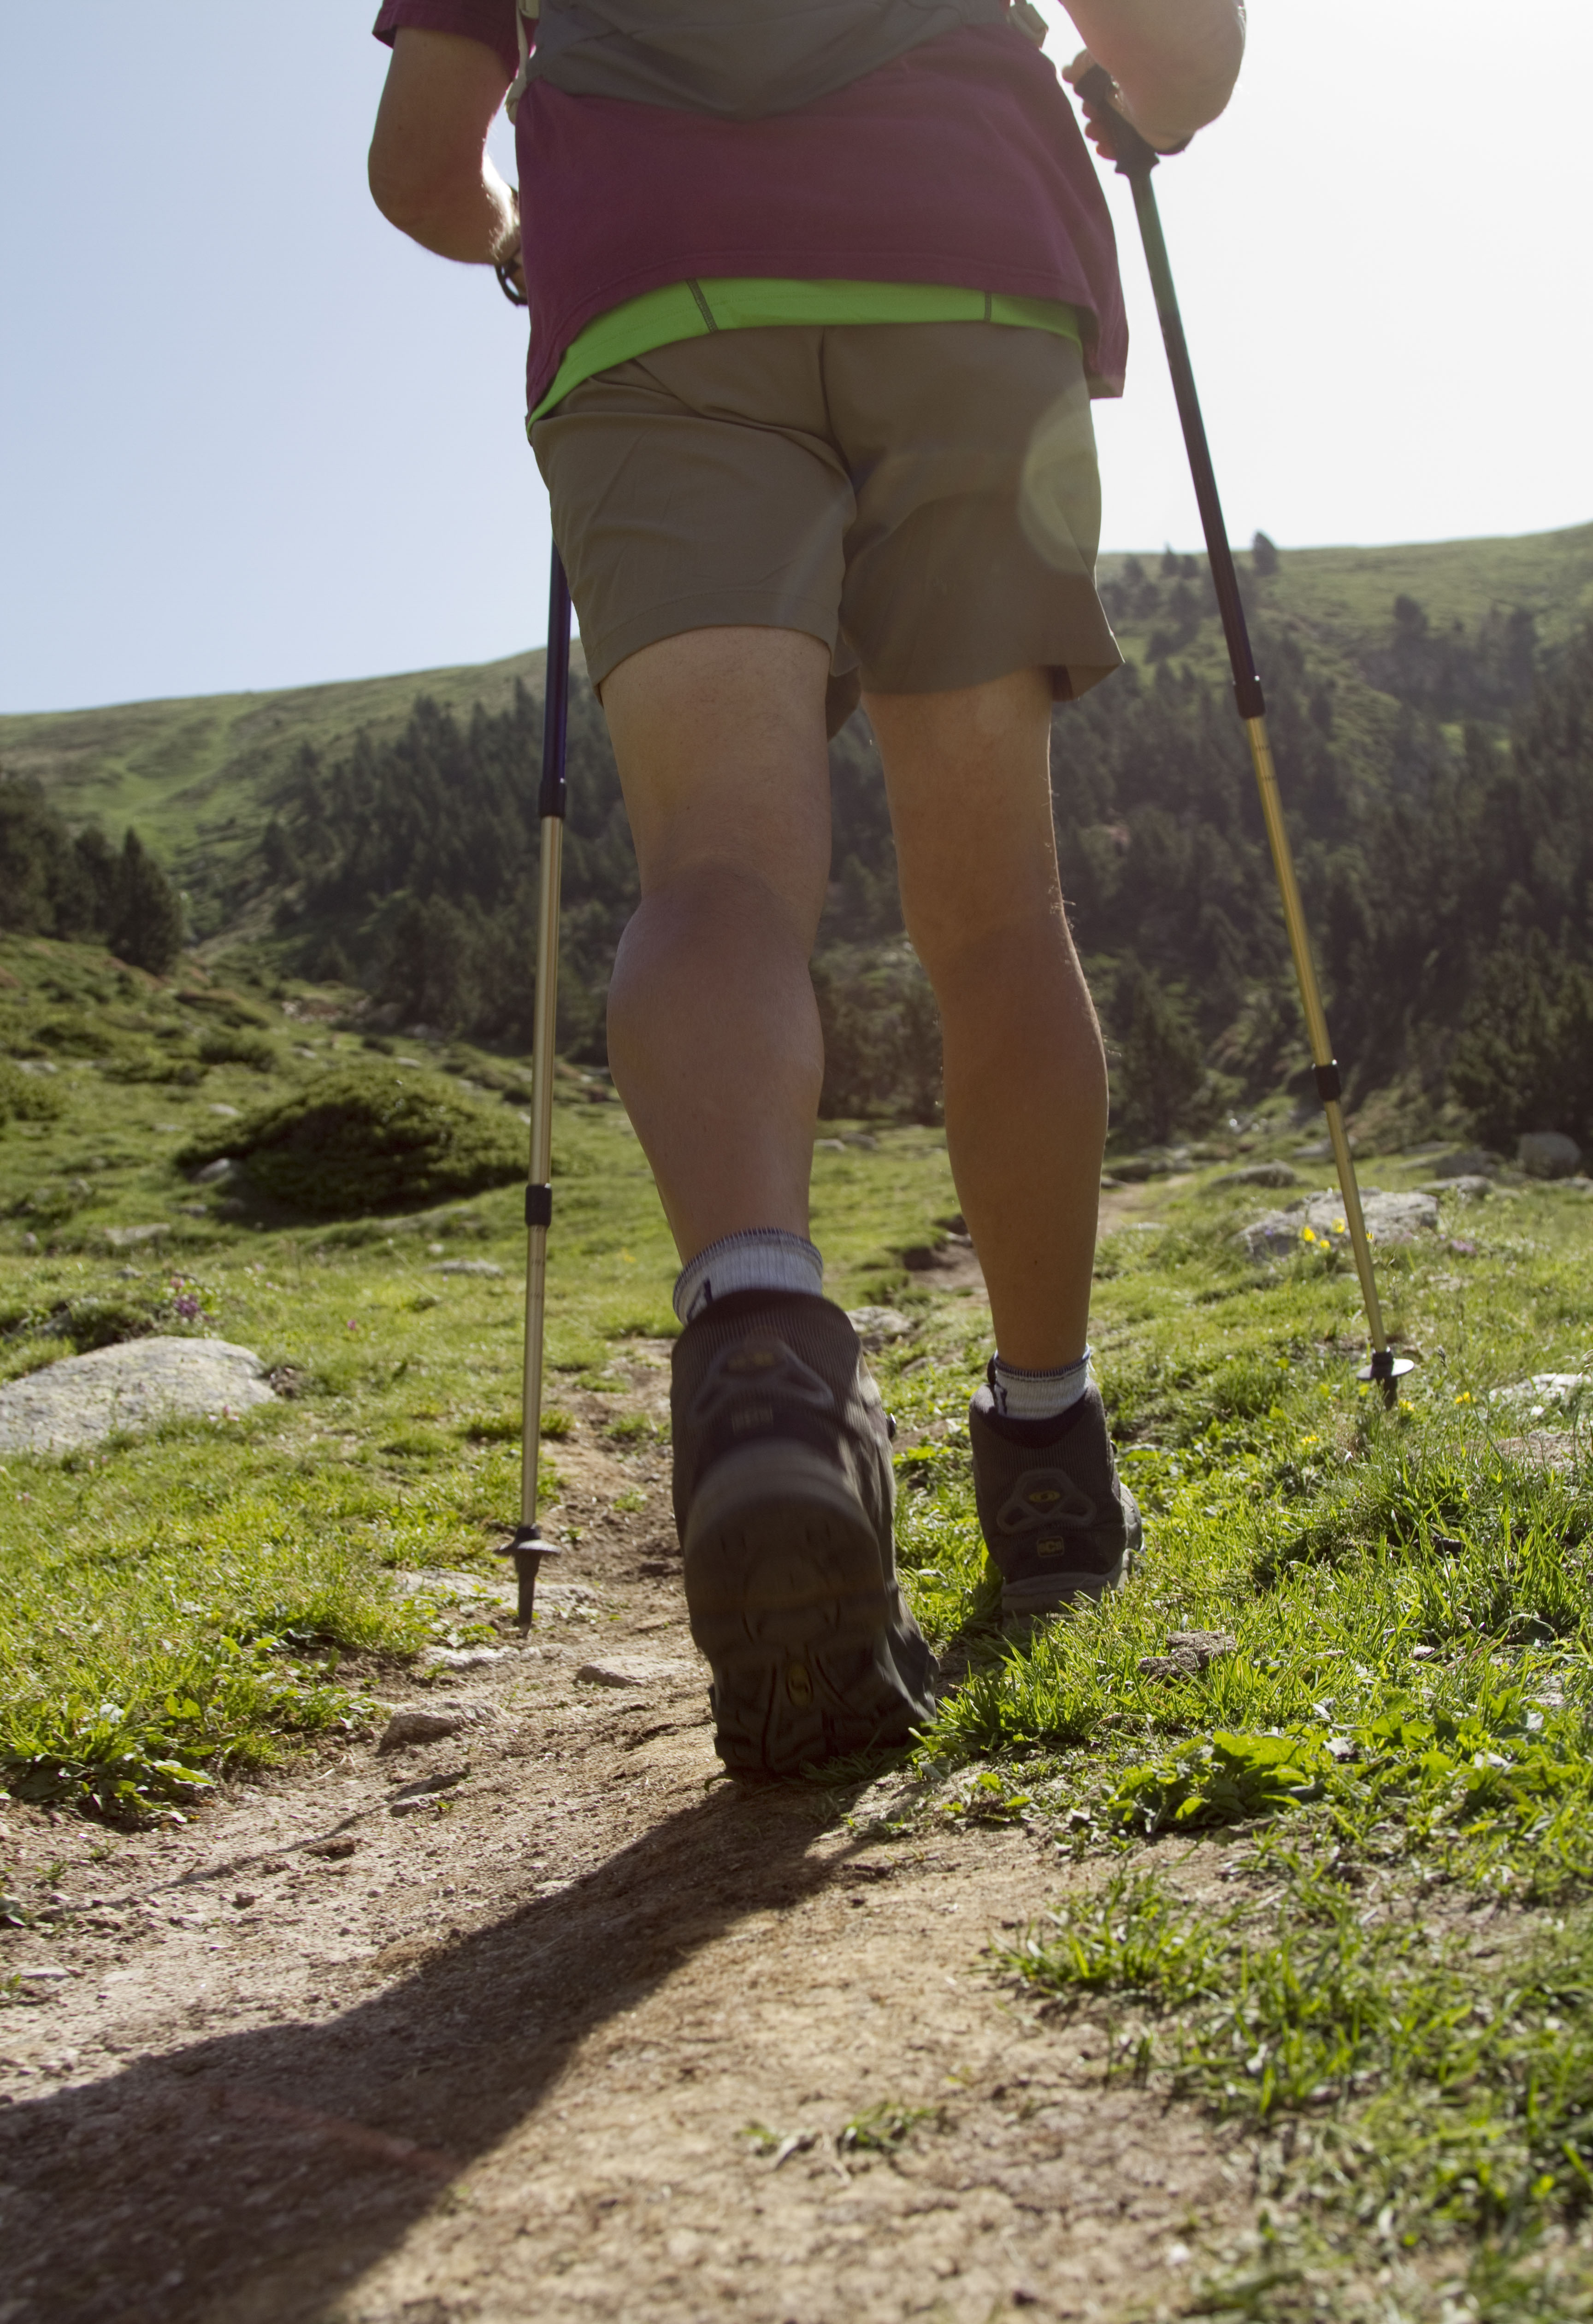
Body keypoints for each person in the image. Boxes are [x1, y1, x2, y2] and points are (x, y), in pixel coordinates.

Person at [368, 0, 1245, 1777]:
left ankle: (765, 1347)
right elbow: (1187, 42)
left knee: (719, 870)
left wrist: (529, 241)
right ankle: (1050, 1450)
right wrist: (1140, 112)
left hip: (656, 303)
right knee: (998, 914)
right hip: (966, 266)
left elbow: (418, 167)